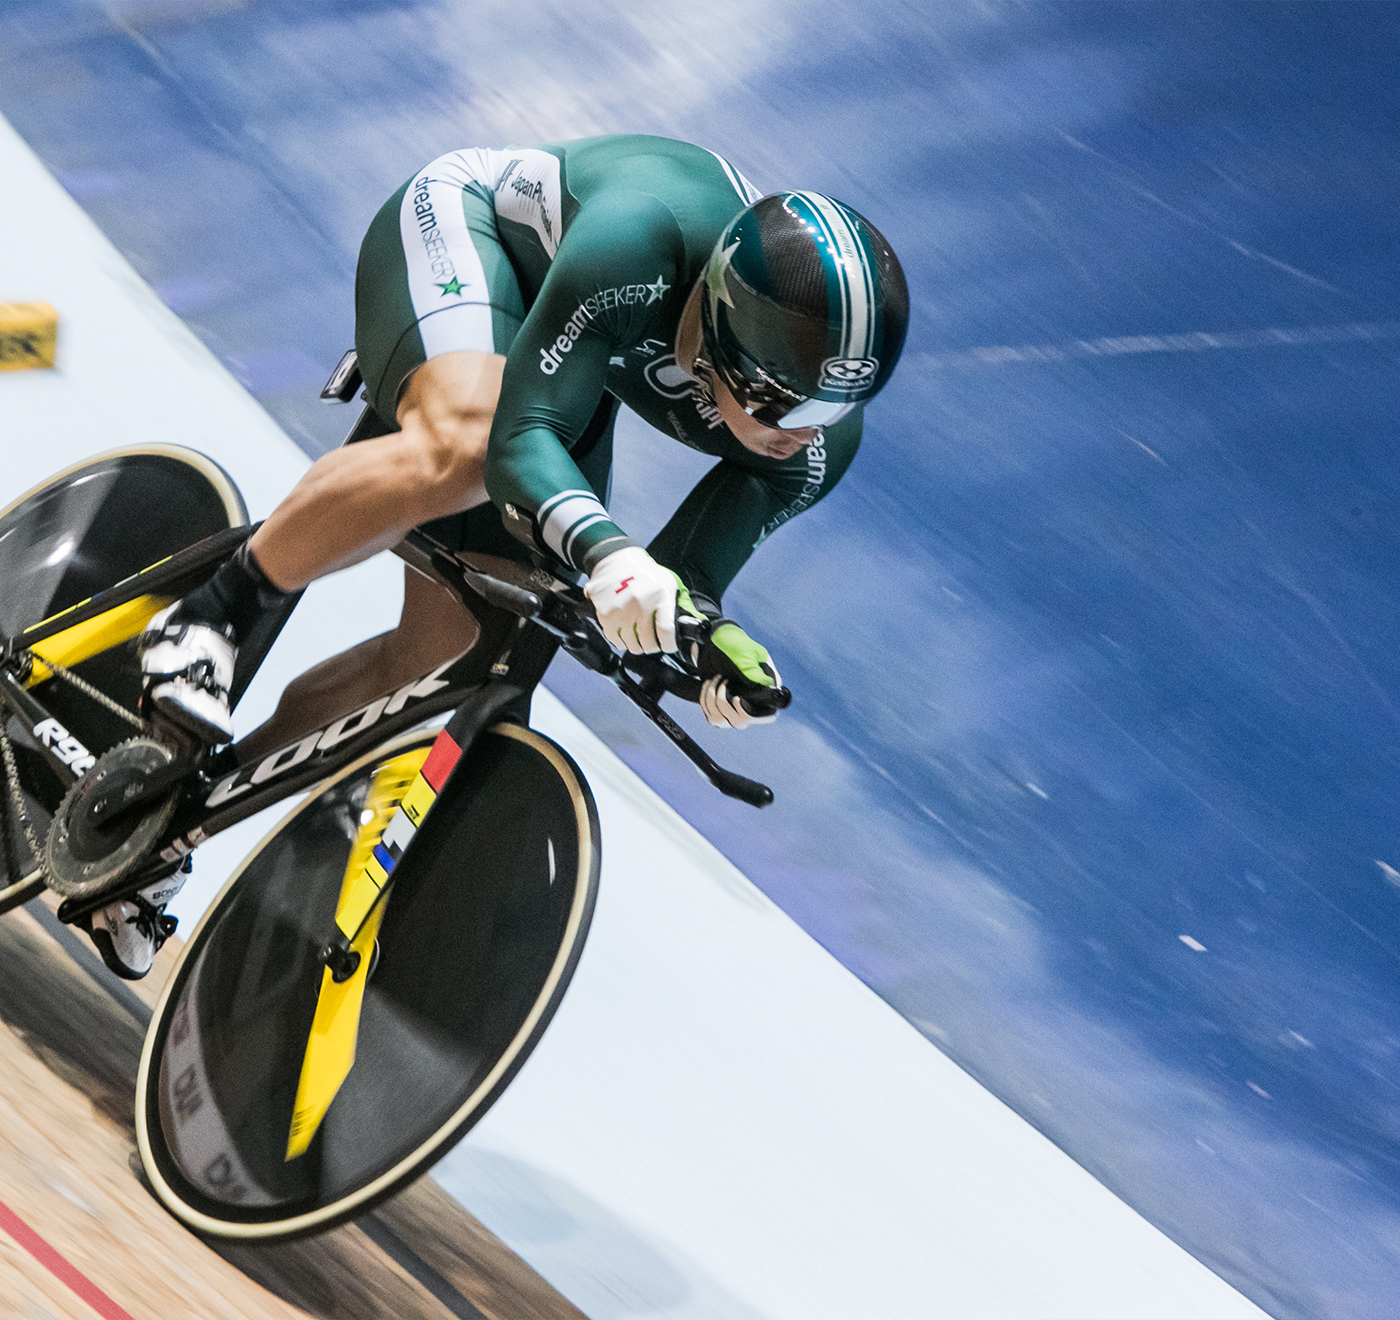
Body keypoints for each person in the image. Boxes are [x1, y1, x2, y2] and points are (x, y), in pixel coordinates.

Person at [93, 135, 909, 976]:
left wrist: (701, 651)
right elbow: (523, 439)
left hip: (571, 355)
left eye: (837, 404)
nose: (804, 431)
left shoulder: (812, 443)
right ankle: (207, 618)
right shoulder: (642, 237)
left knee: (452, 655)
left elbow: (681, 575)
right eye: (785, 404)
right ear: (726, 347)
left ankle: (168, 831)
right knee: (470, 443)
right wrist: (605, 552)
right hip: (472, 237)